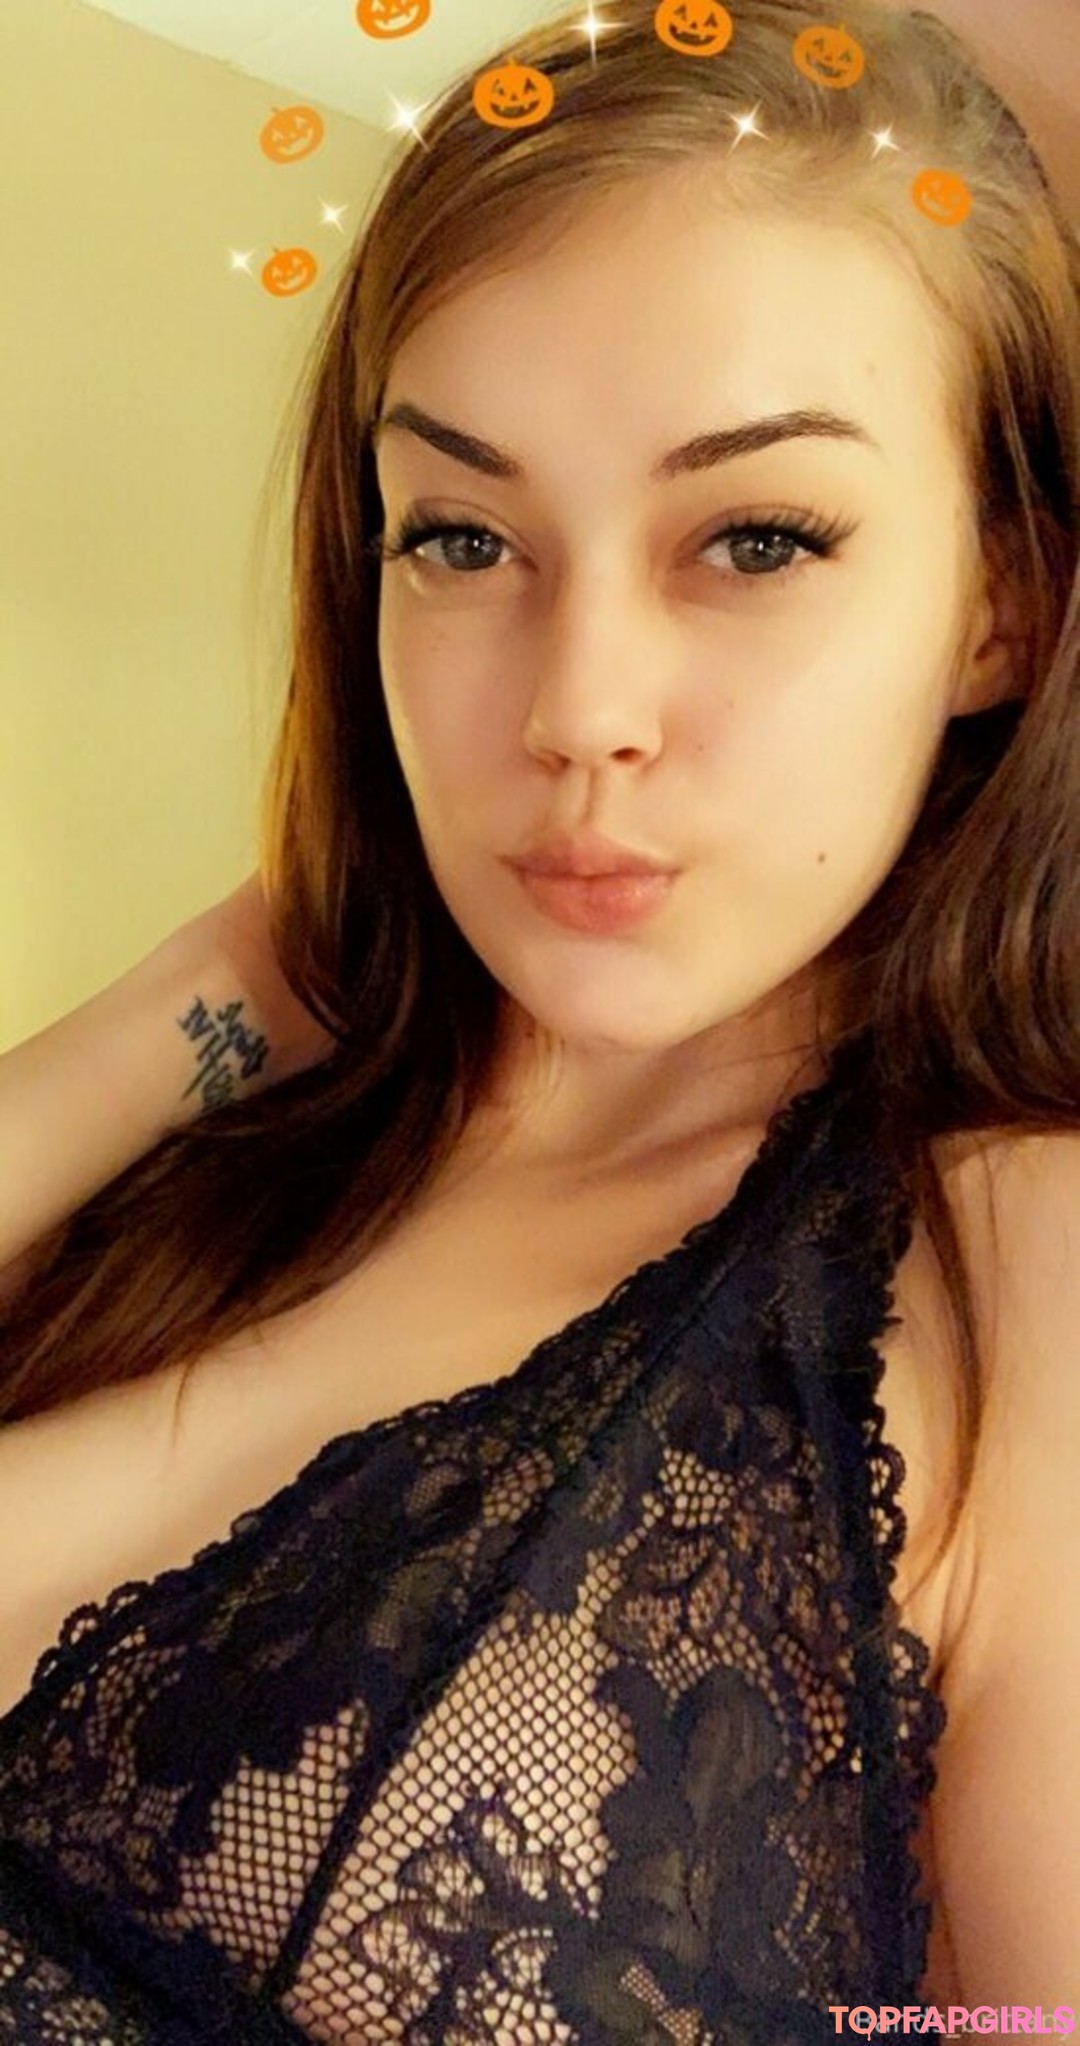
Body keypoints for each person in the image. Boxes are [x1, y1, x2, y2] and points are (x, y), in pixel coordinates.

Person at [0, 0, 1076, 2037]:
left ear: (1001, 602)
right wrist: (200, 994)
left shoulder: (1012, 1274)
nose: (578, 709)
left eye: (756, 539)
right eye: (464, 536)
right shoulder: (244, 1132)